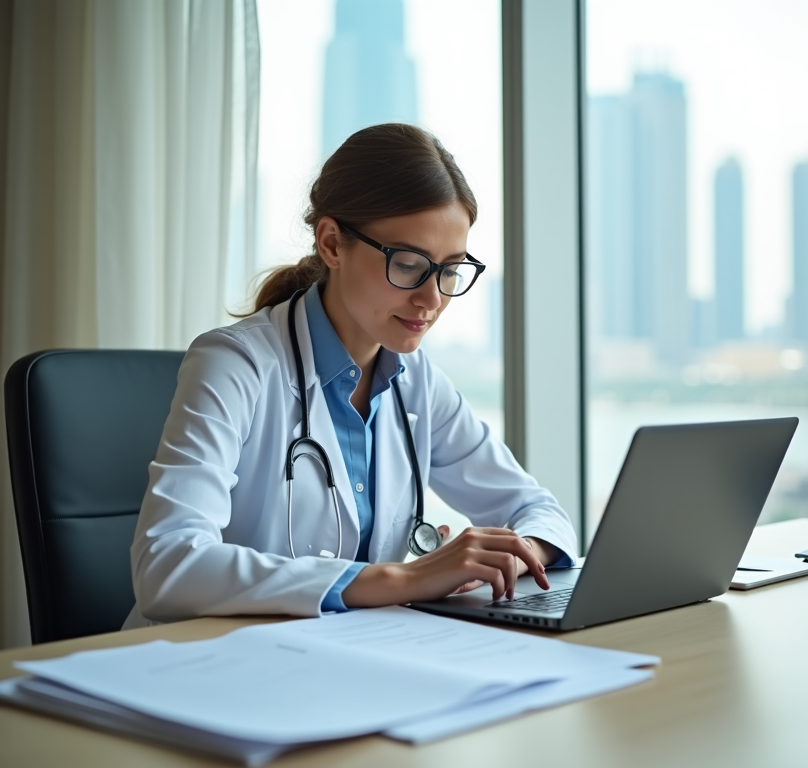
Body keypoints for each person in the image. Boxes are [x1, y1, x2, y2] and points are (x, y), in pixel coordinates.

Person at [124, 124, 577, 629]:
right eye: (409, 265)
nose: (432, 299)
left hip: (338, 660)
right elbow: (167, 566)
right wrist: (403, 579)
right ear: (333, 243)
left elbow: (538, 509)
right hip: (200, 664)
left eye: (450, 270)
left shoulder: (415, 379)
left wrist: (507, 557)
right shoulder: (236, 363)